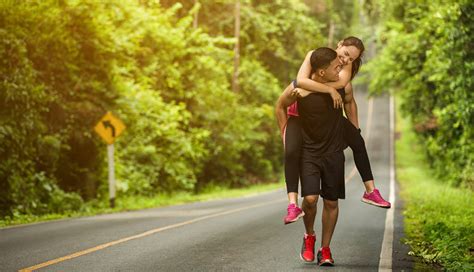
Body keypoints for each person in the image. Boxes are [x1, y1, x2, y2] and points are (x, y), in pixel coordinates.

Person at [280, 37, 390, 225]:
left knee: (358, 141)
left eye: (351, 59)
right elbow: (300, 81)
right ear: (339, 44)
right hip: (299, 117)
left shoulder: (344, 66)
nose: (346, 60)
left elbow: (341, 87)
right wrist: (284, 129)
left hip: (326, 118)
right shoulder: (315, 56)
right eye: (345, 54)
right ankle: (292, 204)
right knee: (291, 152)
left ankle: (370, 191)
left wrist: (354, 129)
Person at [276, 47, 347, 266]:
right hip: (309, 150)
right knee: (310, 199)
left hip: (332, 151)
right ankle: (309, 236)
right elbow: (280, 106)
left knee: (332, 202)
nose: (341, 68)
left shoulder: (342, 86)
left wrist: (353, 133)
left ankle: (325, 250)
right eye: (337, 66)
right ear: (321, 72)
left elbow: (351, 101)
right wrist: (286, 135)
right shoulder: (299, 88)